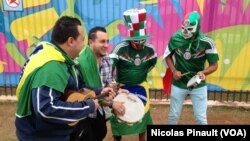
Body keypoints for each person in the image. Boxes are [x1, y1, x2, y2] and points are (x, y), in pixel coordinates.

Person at [15, 16, 113, 141]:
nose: (84, 45)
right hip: (41, 136)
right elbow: (46, 109)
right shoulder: (51, 67)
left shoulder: (61, 58)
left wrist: (100, 91)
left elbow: (77, 86)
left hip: (53, 132)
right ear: (71, 41)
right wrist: (87, 107)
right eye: (83, 40)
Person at [70, 26, 128, 141]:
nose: (106, 45)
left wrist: (117, 90)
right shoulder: (81, 62)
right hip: (86, 114)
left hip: (101, 111)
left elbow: (108, 83)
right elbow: (86, 94)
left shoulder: (107, 59)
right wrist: (112, 104)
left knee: (101, 133)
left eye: (107, 41)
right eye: (102, 42)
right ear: (91, 42)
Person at [109, 8, 157, 141]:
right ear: (130, 38)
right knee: (119, 115)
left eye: (143, 40)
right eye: (137, 41)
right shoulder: (120, 48)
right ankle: (117, 139)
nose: (140, 44)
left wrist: (138, 74)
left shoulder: (150, 49)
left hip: (141, 87)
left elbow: (151, 64)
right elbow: (109, 67)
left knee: (143, 116)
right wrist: (114, 84)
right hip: (122, 88)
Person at [163, 11, 219, 125]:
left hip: (198, 83)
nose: (185, 32)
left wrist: (204, 72)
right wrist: (173, 70)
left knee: (201, 118)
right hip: (179, 83)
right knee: (173, 116)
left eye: (189, 30)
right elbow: (167, 56)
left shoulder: (207, 42)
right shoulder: (175, 38)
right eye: (183, 28)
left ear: (197, 28)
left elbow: (214, 65)